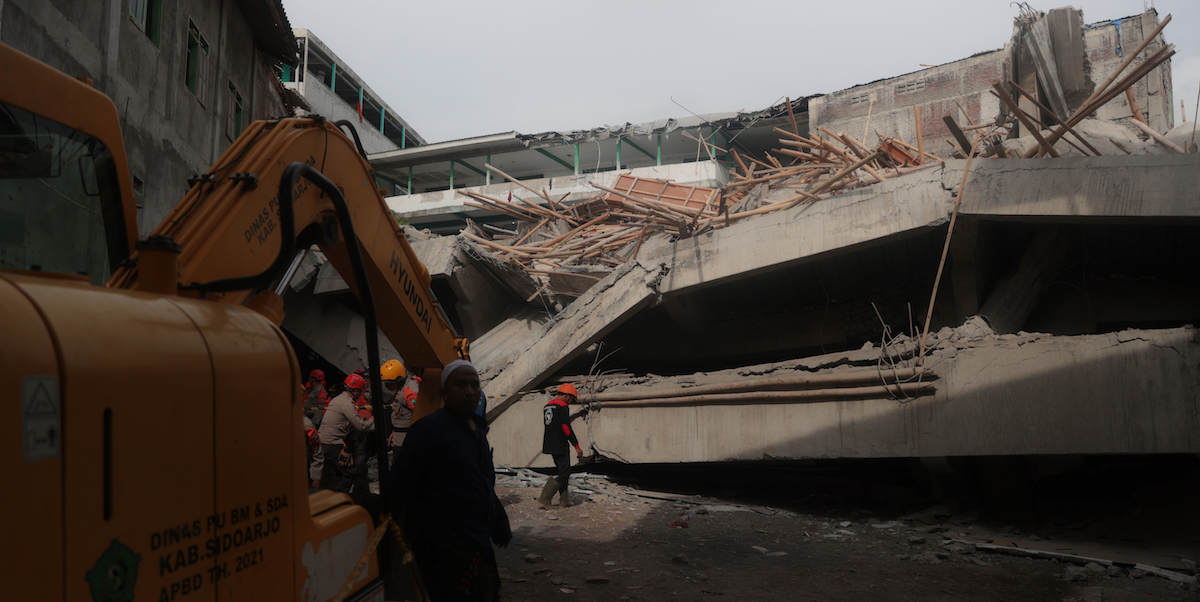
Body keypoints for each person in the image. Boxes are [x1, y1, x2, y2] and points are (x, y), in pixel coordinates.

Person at [389, 359, 511, 601]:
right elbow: (400, 484)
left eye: (475, 385)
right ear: (444, 393)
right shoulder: (429, 430)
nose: (470, 391)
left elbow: (480, 480)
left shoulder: (477, 429)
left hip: (476, 540)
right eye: (461, 385)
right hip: (443, 546)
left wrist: (498, 517)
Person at [318, 373, 375, 492]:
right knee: (350, 473)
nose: (361, 394)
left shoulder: (338, 399)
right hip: (333, 443)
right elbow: (360, 426)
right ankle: (341, 496)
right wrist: (373, 421)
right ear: (356, 391)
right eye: (360, 391)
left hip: (325, 442)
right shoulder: (347, 403)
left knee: (333, 474)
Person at [537, 383, 583, 509]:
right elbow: (566, 428)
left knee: (563, 471)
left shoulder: (547, 406)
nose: (570, 402)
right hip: (560, 444)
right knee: (564, 474)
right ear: (567, 395)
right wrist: (576, 445)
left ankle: (564, 501)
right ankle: (544, 498)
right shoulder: (562, 407)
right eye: (571, 399)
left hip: (549, 444)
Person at [380, 360, 415, 451]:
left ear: (398, 380)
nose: (386, 385)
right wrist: (395, 432)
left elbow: (420, 415)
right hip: (399, 438)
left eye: (389, 383)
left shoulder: (408, 393)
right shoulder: (401, 389)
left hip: (407, 442)